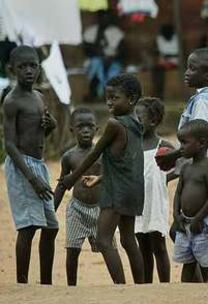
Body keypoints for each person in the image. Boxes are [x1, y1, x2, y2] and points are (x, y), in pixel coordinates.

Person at [58, 73, 145, 284]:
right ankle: (143, 287)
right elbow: (126, 162)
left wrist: (71, 179)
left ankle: (121, 287)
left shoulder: (115, 124)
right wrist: (99, 179)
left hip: (117, 191)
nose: (109, 102)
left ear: (131, 99)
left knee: (103, 239)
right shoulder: (137, 123)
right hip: (133, 188)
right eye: (107, 97)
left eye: (115, 98)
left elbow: (94, 153)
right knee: (128, 239)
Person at [3, 45, 58, 284]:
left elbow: (38, 136)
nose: (29, 71)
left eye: (33, 65)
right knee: (28, 228)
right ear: (11, 69)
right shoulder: (12, 101)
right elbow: (11, 145)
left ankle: (46, 284)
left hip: (38, 164)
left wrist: (51, 125)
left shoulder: (39, 97)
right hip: (22, 168)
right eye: (22, 67)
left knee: (51, 227)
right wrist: (32, 179)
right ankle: (22, 283)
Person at [53, 107, 116, 286]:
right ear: (72, 130)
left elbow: (112, 177)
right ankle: (71, 288)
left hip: (101, 209)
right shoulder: (69, 156)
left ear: (97, 130)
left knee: (109, 248)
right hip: (77, 209)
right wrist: (51, 210)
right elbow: (62, 184)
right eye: (81, 127)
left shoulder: (104, 153)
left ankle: (120, 285)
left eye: (90, 126)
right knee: (72, 250)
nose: (86, 130)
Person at [156, 47, 208, 182]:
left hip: (201, 176)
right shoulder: (203, 98)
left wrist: (173, 155)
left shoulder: (203, 102)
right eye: (188, 68)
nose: (187, 73)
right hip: (197, 173)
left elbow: (197, 139)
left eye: (192, 69)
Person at [173, 119, 208, 283]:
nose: (181, 147)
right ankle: (187, 294)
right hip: (184, 222)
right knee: (188, 261)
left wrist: (198, 218)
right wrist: (176, 215)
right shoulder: (186, 167)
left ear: (201, 143)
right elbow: (178, 192)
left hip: (203, 224)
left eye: (185, 143)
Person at [134, 97, 175, 283]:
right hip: (136, 203)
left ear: (153, 121)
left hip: (155, 202)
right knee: (142, 246)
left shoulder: (164, 148)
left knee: (158, 245)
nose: (135, 121)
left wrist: (163, 178)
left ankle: (164, 286)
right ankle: (146, 287)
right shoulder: (131, 146)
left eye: (139, 117)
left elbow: (183, 166)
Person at [83, 10, 125, 99]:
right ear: (98, 19)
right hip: (96, 60)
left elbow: (122, 52)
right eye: (102, 17)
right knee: (96, 64)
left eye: (107, 18)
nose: (105, 20)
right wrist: (99, 35)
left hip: (113, 60)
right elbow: (87, 51)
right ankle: (94, 92)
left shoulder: (116, 32)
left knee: (113, 73)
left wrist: (110, 58)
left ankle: (106, 94)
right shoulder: (90, 32)